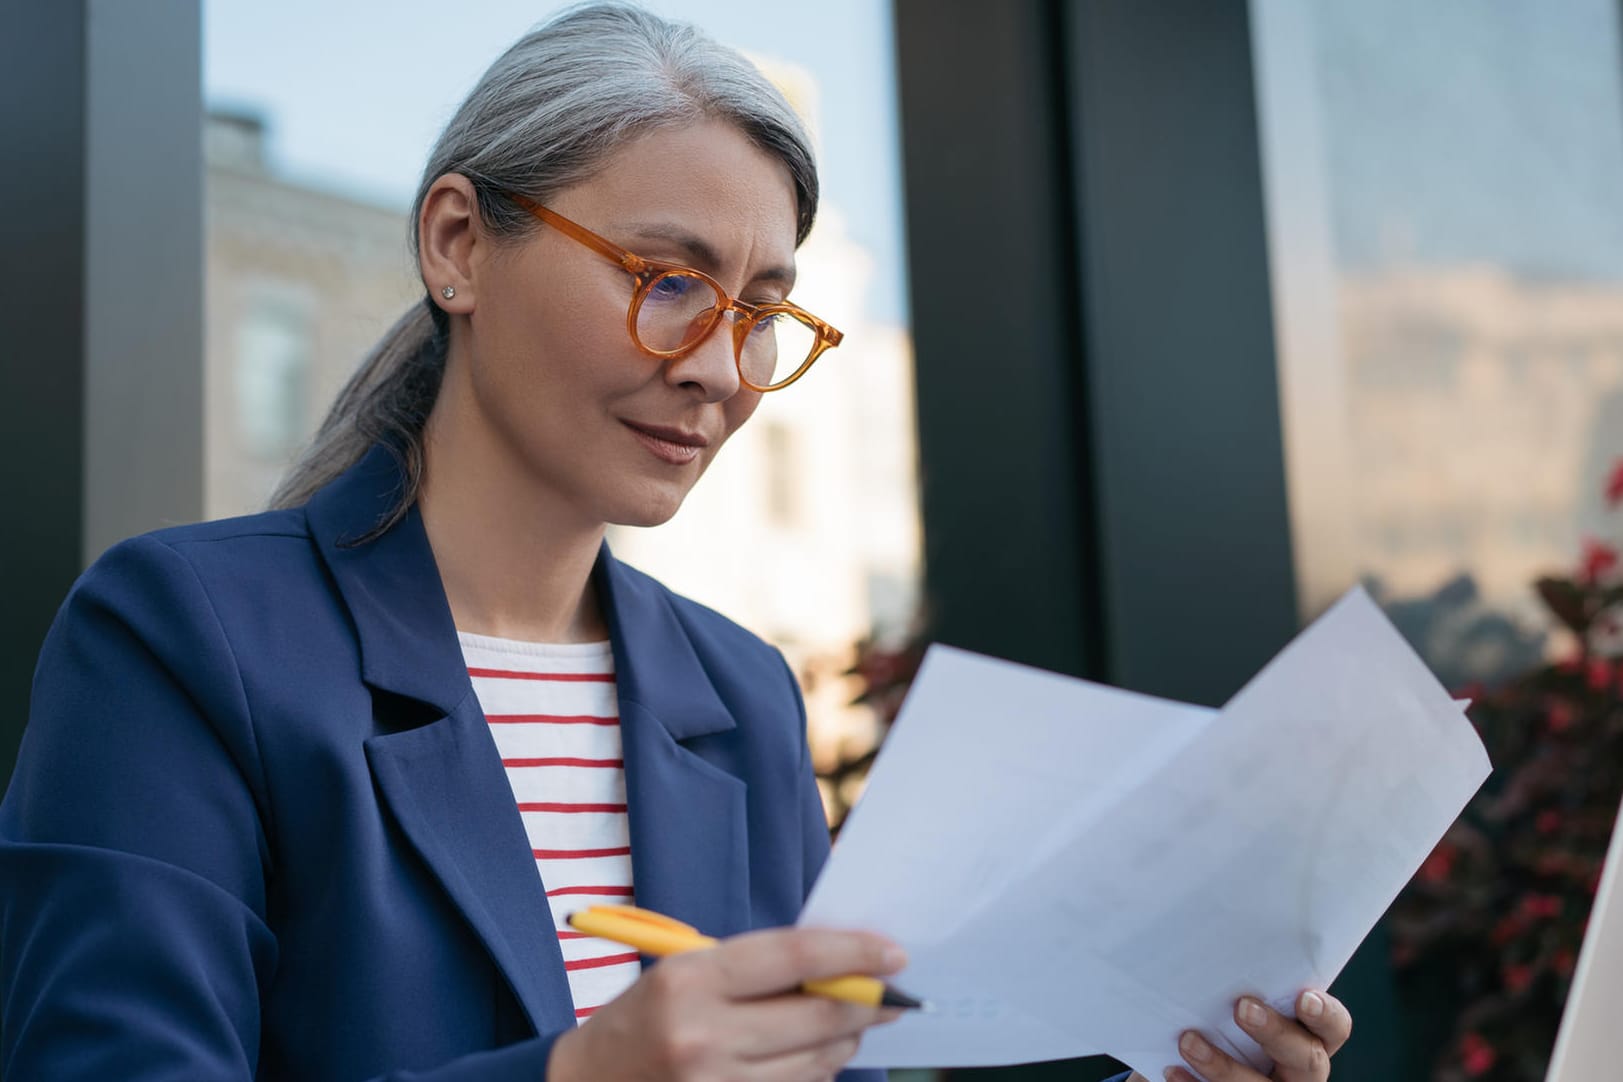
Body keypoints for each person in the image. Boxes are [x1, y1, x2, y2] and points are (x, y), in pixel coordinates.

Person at [0, 4, 1352, 1080]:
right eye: (667, 281)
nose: (722, 368)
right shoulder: (184, 637)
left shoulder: (741, 695)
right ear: (459, 244)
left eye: (762, 309)